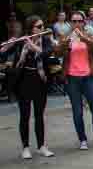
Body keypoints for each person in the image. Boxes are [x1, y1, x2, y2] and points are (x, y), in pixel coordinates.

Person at [55, 11, 93, 150]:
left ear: (84, 22)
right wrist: (65, 44)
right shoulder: (66, 35)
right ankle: (82, 139)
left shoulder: (89, 34)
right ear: (70, 23)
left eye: (80, 21)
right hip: (72, 78)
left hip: (88, 76)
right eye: (74, 21)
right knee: (77, 111)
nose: (77, 24)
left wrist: (84, 38)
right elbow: (57, 52)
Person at [1, 16, 55, 159]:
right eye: (39, 26)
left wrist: (33, 46)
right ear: (31, 28)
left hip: (40, 80)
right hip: (23, 81)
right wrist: (7, 47)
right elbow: (4, 56)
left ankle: (42, 146)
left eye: (43, 25)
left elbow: (46, 53)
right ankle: (25, 147)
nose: (42, 28)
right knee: (24, 116)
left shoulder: (45, 40)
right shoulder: (21, 40)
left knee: (39, 115)